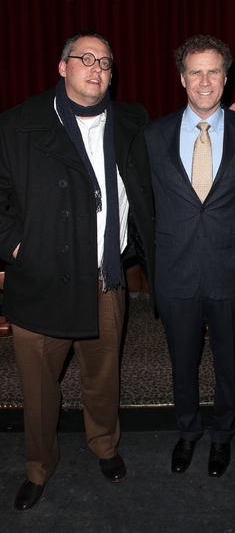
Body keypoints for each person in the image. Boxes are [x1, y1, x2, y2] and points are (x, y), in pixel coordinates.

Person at [0, 30, 156, 512]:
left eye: (106, 62)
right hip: (41, 282)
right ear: (62, 67)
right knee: (39, 388)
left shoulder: (132, 122)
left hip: (105, 280)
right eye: (85, 58)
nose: (97, 68)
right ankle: (38, 467)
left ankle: (104, 446)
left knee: (102, 376)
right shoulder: (18, 124)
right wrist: (18, 248)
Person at [144, 35, 235, 478]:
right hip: (175, 272)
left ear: (226, 78)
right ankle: (188, 433)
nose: (205, 80)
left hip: (231, 271)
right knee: (182, 361)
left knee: (229, 362)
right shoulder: (155, 134)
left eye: (214, 71)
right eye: (196, 71)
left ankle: (222, 436)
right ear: (182, 79)